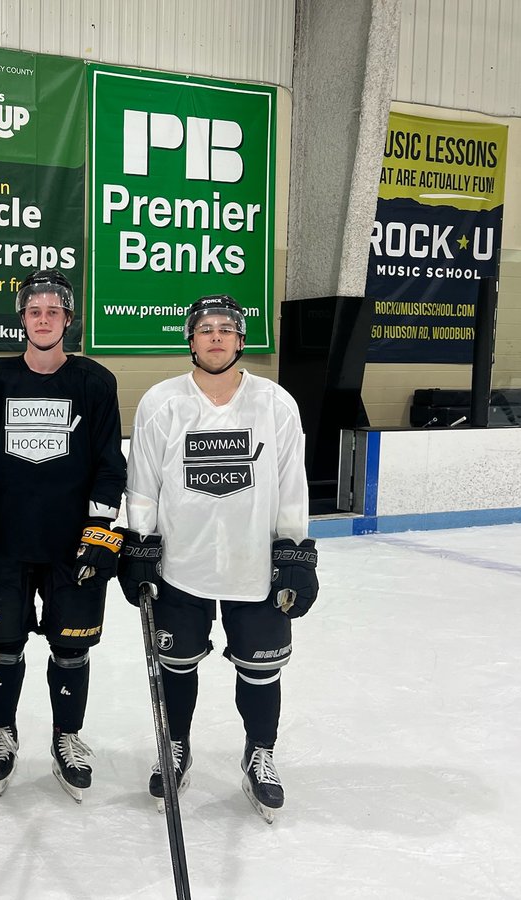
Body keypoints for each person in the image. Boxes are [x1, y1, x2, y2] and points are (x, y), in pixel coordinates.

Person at [118, 294, 319, 823]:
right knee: (177, 662)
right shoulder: (162, 402)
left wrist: (295, 550)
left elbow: (292, 485)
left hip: (254, 564)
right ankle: (176, 745)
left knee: (260, 668)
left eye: (225, 329)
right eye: (204, 328)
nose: (215, 337)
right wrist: (140, 543)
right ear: (190, 338)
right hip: (181, 566)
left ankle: (260, 753)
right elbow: (143, 485)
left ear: (241, 339)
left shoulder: (275, 403)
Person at [0, 269, 126, 802]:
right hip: (5, 544)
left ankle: (66, 737)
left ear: (67, 319)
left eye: (53, 311)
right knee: (4, 644)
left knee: (70, 649)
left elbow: (109, 462)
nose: (43, 319)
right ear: (22, 319)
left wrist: (100, 529)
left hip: (71, 546)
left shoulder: (95, 383)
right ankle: (4, 733)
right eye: (34, 311)